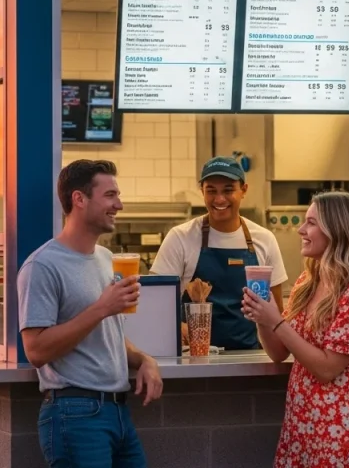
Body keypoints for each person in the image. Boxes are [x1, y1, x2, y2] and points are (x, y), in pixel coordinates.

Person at [18, 159, 164, 468]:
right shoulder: (42, 266)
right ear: (79, 199)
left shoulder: (107, 259)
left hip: (118, 411)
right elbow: (36, 350)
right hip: (75, 413)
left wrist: (144, 360)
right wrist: (101, 308)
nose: (119, 205)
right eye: (110, 195)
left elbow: (109, 338)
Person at [241, 191, 349, 468]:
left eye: (311, 223)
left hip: (340, 422)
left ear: (337, 230)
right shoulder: (307, 283)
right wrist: (261, 316)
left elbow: (327, 369)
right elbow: (277, 353)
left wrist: (276, 321)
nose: (301, 230)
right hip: (304, 419)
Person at [151, 156, 288, 350]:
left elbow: (276, 311)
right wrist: (176, 325)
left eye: (228, 190)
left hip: (250, 357)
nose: (219, 199)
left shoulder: (264, 240)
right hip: (194, 358)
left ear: (244, 191)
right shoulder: (181, 238)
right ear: (202, 192)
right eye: (211, 191)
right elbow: (156, 302)